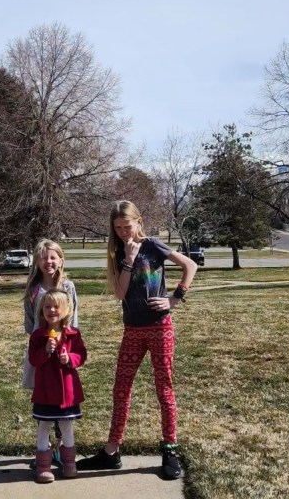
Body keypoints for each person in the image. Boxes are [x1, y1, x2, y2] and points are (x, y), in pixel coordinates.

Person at [76, 200, 198, 480]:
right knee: (121, 389)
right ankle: (111, 451)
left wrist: (175, 298)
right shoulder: (118, 252)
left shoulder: (154, 245)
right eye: (117, 227)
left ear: (138, 222)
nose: (122, 232)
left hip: (159, 327)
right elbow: (120, 294)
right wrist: (129, 261)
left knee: (164, 387)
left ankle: (169, 449)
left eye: (127, 226)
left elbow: (190, 266)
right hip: (132, 329)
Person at [21, 239, 79, 466]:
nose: (48, 262)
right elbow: (29, 321)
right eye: (44, 257)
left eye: (53, 257)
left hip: (63, 353)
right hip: (41, 352)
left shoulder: (68, 286)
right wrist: (39, 341)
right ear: (37, 261)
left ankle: (61, 449)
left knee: (63, 401)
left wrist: (69, 345)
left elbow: (73, 318)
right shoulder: (33, 289)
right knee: (43, 400)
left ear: (61, 260)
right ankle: (43, 452)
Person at [28, 288, 87, 483]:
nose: (51, 310)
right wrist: (45, 351)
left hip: (66, 392)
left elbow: (81, 355)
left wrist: (68, 358)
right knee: (43, 425)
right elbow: (34, 360)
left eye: (56, 306)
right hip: (46, 390)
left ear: (66, 310)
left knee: (66, 424)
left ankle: (69, 462)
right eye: (47, 307)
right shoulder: (38, 335)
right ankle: (43, 465)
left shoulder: (73, 334)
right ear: (41, 311)